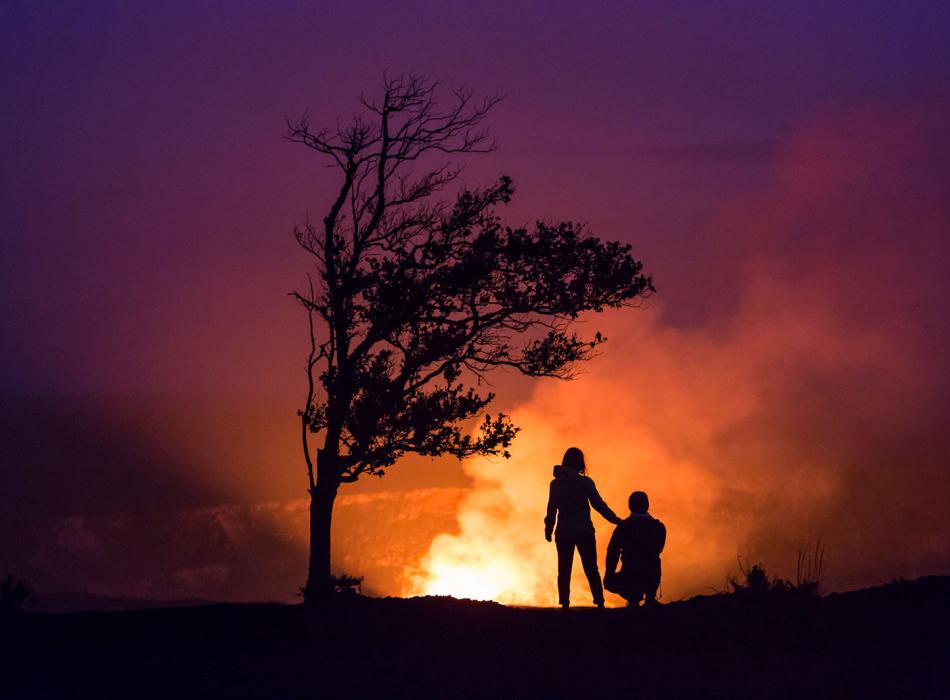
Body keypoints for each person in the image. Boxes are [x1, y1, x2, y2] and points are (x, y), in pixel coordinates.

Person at [544, 447, 622, 608]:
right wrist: (615, 520)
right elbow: (598, 505)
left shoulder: (555, 484)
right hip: (584, 531)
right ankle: (600, 603)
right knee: (591, 568)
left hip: (564, 533)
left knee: (564, 570)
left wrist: (549, 529)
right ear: (580, 462)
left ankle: (565, 604)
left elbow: (551, 509)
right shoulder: (585, 482)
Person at [604, 490, 666, 608]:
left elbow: (612, 552)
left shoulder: (623, 527)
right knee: (654, 562)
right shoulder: (658, 527)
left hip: (629, 574)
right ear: (647, 505)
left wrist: (609, 574)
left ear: (629, 506)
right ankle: (650, 597)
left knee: (610, 582)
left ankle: (633, 598)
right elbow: (658, 549)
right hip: (651, 575)